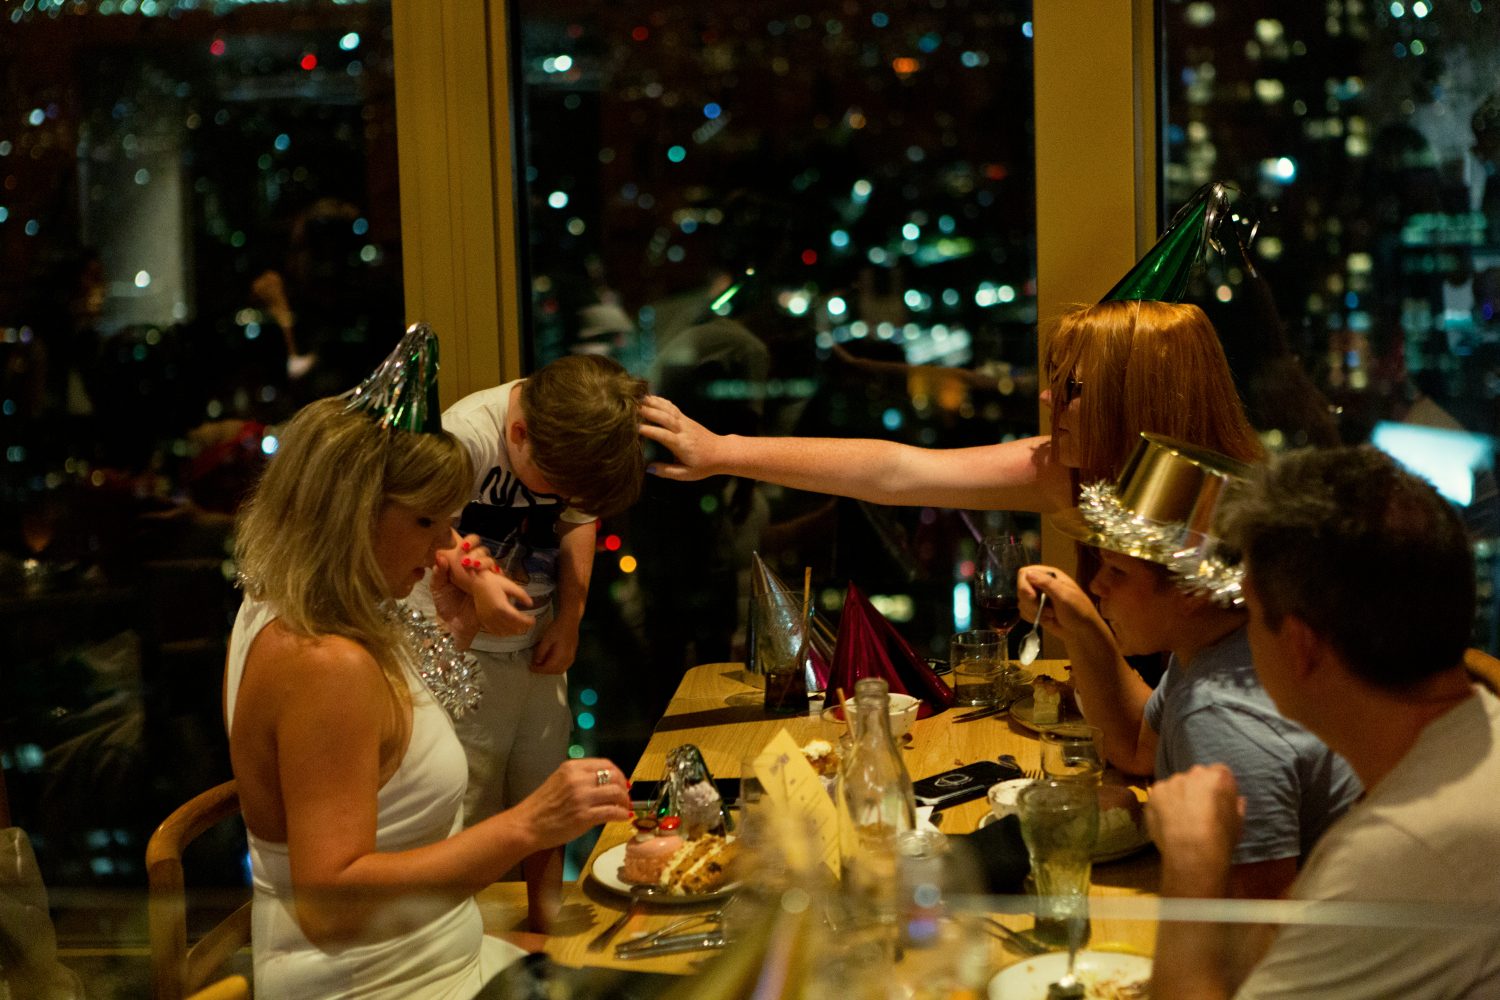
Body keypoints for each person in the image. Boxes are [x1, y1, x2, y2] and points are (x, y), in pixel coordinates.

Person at [227, 331, 633, 998]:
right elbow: (332, 906)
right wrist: (529, 824)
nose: (450, 547)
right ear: (352, 513)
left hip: (445, 958)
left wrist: (454, 631)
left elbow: (387, 749)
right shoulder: (320, 661)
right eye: (427, 523)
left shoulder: (340, 618)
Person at [1146, 445, 1500, 998]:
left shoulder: (1401, 852)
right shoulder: (1471, 736)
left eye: (1251, 616)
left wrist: (1193, 863)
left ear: (1301, 647)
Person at [1017, 435, 1359, 900]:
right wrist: (1081, 627)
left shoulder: (1220, 715)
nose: (1096, 585)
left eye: (1118, 572)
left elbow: (1255, 922)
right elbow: (1138, 749)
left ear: (1192, 591)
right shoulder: (1222, 645)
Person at [405, 352, 647, 932]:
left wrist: (570, 618)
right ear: (518, 434)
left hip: (534, 649)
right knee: (467, 800)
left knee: (545, 785)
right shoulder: (465, 437)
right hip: (456, 652)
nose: (563, 498)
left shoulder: (574, 440)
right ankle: (464, 936)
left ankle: (544, 924)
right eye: (555, 488)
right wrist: (476, 580)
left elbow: (579, 521)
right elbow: (424, 528)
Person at [640, 299, 1264, 515]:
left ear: (1138, 402)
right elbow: (898, 472)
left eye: (1074, 388)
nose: (1047, 399)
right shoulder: (1079, 470)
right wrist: (721, 452)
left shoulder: (1228, 518)